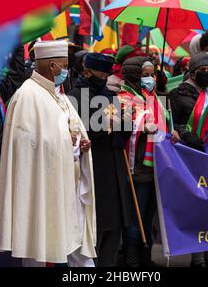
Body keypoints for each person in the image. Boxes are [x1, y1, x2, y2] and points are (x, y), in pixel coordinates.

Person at [0, 40, 96, 267]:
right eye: (64, 65)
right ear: (52, 66)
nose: (66, 71)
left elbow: (70, 131)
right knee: (37, 246)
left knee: (77, 245)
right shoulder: (27, 96)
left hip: (70, 184)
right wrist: (68, 141)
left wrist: (80, 144)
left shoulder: (60, 95)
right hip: (42, 185)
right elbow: (26, 145)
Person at [68, 53, 133, 267]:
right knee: (94, 225)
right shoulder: (74, 98)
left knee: (113, 227)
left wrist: (124, 123)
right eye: (101, 73)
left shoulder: (110, 96)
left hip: (114, 166)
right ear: (86, 71)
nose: (104, 77)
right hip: (92, 169)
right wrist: (104, 126)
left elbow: (119, 130)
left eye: (108, 73)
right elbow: (78, 132)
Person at [169, 53, 208, 267]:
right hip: (191, 156)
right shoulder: (178, 94)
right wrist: (186, 134)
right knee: (197, 206)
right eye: (202, 70)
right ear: (192, 72)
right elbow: (174, 122)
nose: (207, 73)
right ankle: (197, 257)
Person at [118, 56, 173, 267]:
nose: (150, 79)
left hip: (157, 165)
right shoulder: (124, 96)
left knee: (149, 215)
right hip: (138, 166)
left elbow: (166, 122)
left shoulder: (156, 98)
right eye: (145, 75)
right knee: (136, 216)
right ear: (134, 76)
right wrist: (142, 124)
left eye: (152, 74)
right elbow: (121, 121)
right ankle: (131, 258)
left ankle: (146, 256)